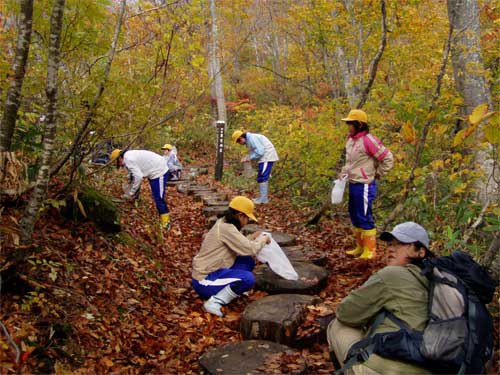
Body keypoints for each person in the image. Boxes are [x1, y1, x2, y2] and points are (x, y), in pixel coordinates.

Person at [327, 222, 433, 375]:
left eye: (401, 244)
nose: (391, 248)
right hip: (436, 366)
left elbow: (345, 313)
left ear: (420, 252)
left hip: (396, 369)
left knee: (337, 325)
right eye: (390, 244)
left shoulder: (391, 274)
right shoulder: (437, 280)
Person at [191, 196, 271, 317]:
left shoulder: (224, 223)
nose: (247, 221)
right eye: (247, 218)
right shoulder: (226, 228)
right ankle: (215, 302)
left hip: (216, 270)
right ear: (239, 215)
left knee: (247, 261)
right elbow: (250, 249)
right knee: (248, 279)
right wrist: (263, 240)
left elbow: (239, 244)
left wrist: (252, 237)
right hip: (204, 280)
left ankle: (232, 289)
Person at [339, 109, 394, 259]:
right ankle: (360, 247)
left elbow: (387, 158)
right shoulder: (351, 140)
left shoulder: (369, 140)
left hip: (364, 184)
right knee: (354, 215)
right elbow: (350, 162)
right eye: (348, 123)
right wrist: (343, 173)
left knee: (364, 215)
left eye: (351, 123)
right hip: (353, 182)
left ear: (359, 124)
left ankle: (370, 250)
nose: (348, 125)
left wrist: (378, 173)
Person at [110, 149, 171, 230]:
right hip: (154, 170)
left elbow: (138, 177)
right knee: (156, 196)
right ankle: (162, 219)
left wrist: (130, 193)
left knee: (159, 198)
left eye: (119, 163)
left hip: (159, 171)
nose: (120, 166)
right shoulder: (128, 155)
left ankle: (166, 224)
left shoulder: (128, 159)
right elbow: (134, 174)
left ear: (119, 158)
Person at [232, 130, 279, 204]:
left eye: (238, 141)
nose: (239, 143)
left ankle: (264, 199)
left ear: (241, 138)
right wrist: (248, 157)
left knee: (263, 177)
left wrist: (249, 158)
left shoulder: (252, 138)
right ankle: (262, 198)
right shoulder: (249, 139)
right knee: (261, 177)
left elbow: (260, 152)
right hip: (264, 158)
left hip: (267, 157)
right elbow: (254, 152)